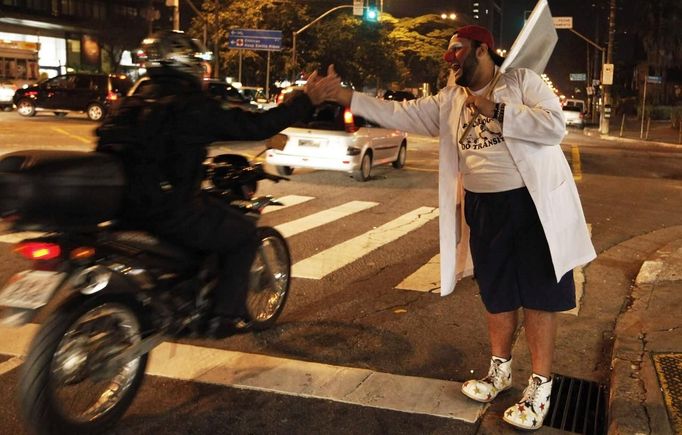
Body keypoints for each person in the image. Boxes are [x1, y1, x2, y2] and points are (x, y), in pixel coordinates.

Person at [325, 25, 596, 430]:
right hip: (484, 206)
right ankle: (499, 371)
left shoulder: (521, 81)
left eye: (457, 49)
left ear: (482, 50)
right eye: (448, 52)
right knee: (496, 291)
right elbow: (402, 112)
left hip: (531, 203)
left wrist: (498, 111)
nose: (450, 59)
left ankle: (540, 386)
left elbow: (555, 127)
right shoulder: (451, 98)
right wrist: (345, 95)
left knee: (539, 293)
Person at [96, 30, 339, 338]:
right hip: (169, 212)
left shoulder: (129, 104)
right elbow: (256, 125)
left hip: (122, 211)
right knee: (244, 235)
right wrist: (306, 100)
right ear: (187, 64)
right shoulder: (189, 105)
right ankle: (223, 317)